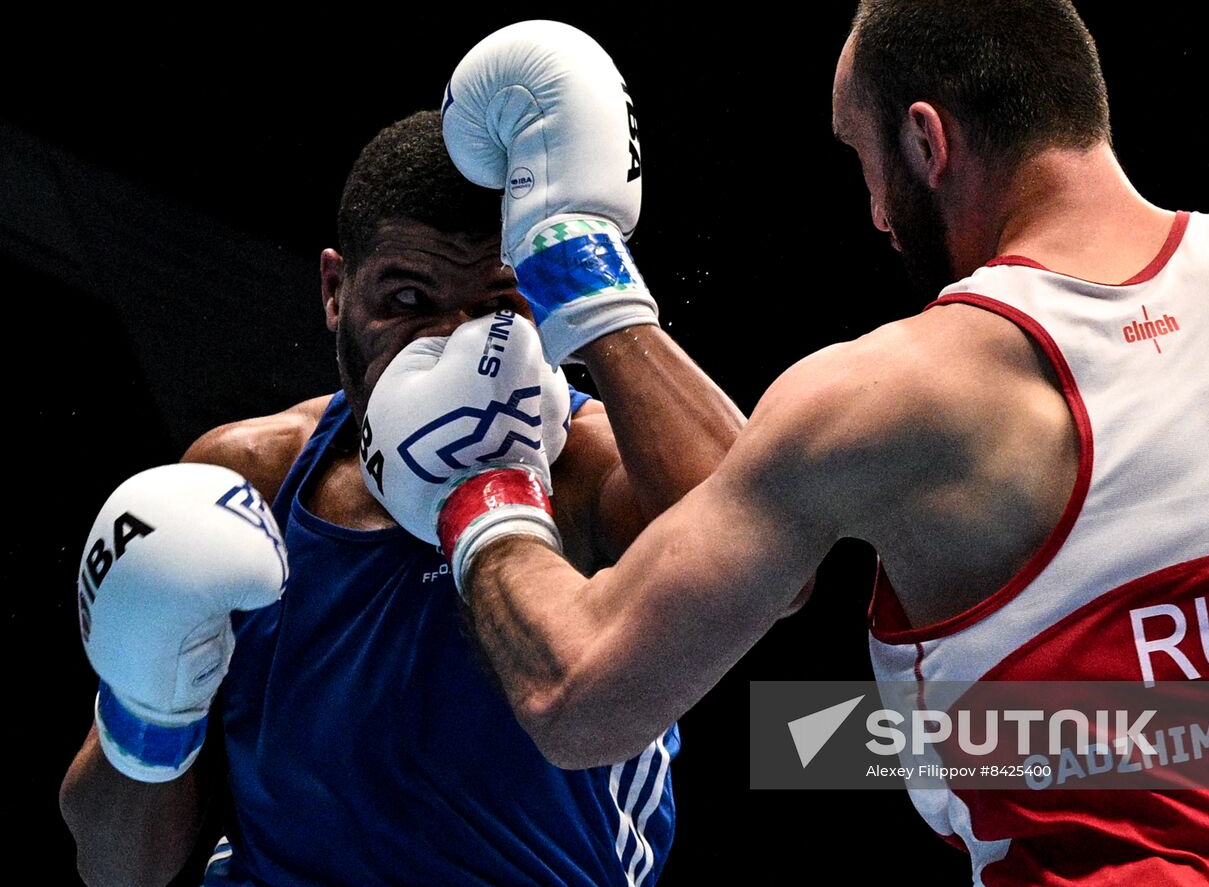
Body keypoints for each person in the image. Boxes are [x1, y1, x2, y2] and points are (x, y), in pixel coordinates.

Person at [367, 0, 1209, 884]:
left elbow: (579, 700)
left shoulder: (887, 393)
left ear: (923, 139)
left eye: (859, 159)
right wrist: (816, 745)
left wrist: (479, 486)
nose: (869, 212)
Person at [59, 108, 749, 887]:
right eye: (410, 299)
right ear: (333, 290)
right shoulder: (251, 479)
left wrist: (590, 278)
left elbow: (766, 550)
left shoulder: (591, 467)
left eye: (498, 300)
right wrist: (144, 708)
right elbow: (120, 872)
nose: (453, 342)